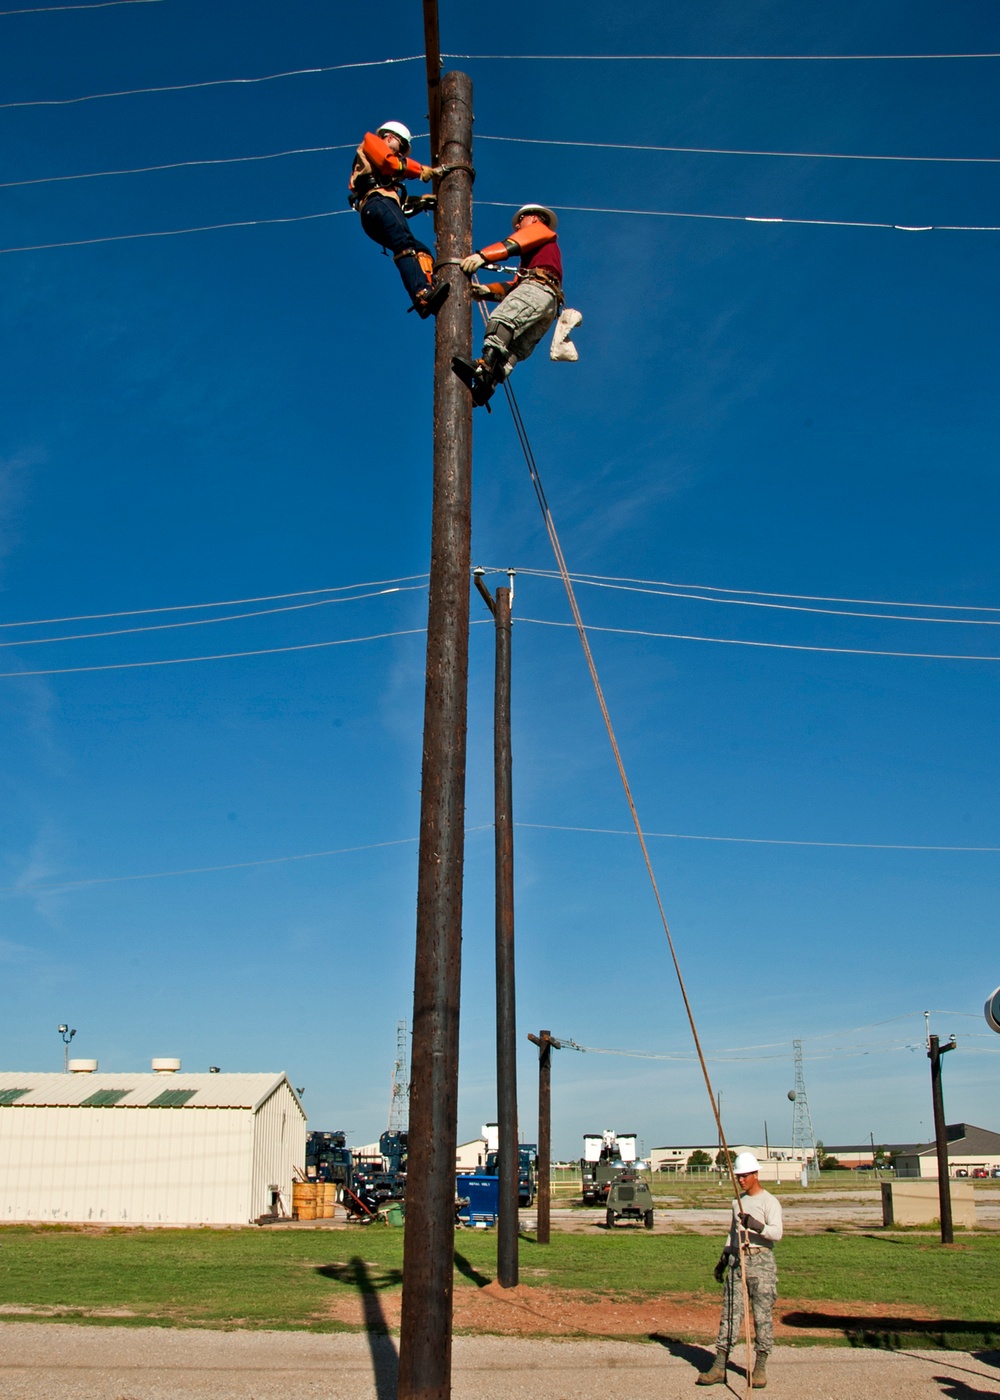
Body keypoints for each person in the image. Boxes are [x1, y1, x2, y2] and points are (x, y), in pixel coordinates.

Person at [452, 204, 563, 406]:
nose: (518, 225)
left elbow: (513, 244)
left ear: (536, 218)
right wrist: (486, 291)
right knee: (514, 350)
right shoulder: (539, 259)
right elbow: (515, 286)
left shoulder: (540, 230)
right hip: (550, 302)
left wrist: (482, 256)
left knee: (501, 320)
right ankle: (486, 386)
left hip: (537, 289)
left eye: (521, 219)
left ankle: (485, 366)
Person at [696, 1152, 783, 1389]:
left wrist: (755, 1224)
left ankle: (760, 1367)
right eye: (738, 1176)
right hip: (737, 1262)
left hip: (761, 1262)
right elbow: (732, 1232)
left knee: (762, 1316)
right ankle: (719, 1366)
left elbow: (777, 1233)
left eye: (745, 1176)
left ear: (755, 1175)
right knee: (730, 1314)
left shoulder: (769, 1202)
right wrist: (724, 1258)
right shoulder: (737, 1202)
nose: (741, 1180)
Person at [349, 121, 449, 318]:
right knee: (405, 244)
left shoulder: (384, 179)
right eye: (401, 146)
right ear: (389, 137)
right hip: (377, 203)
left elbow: (399, 207)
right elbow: (389, 162)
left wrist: (421, 202)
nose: (401, 152)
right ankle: (422, 293)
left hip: (375, 210)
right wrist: (420, 170)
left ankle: (428, 288)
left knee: (420, 250)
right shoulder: (372, 142)